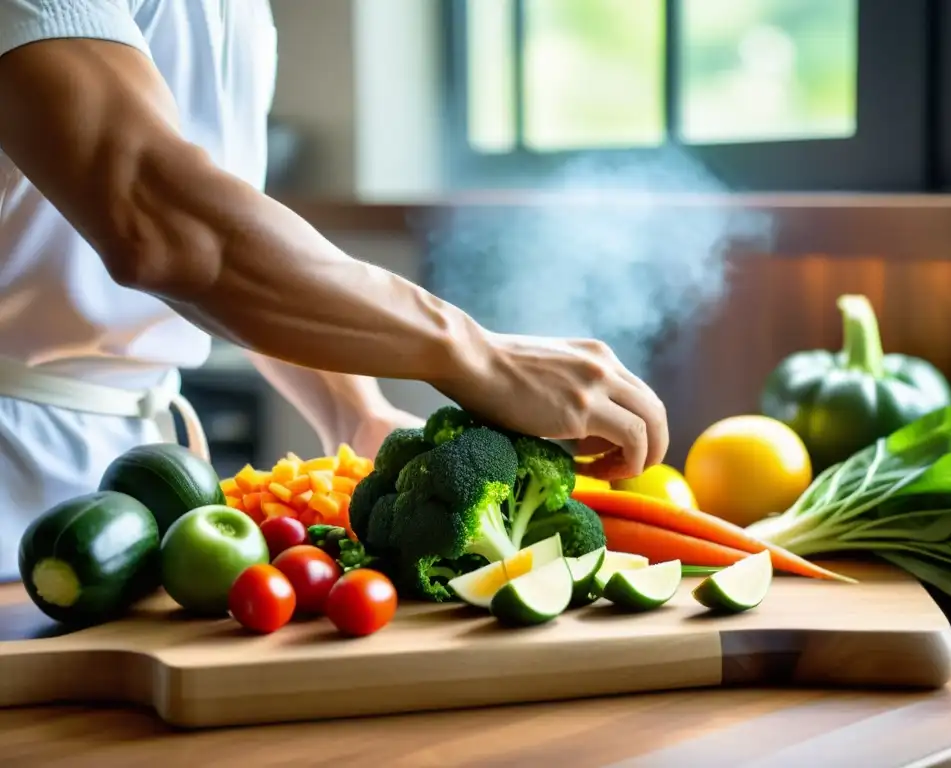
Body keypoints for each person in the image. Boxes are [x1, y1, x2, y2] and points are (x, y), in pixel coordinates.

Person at [0, 0, 668, 581]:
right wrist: (476, 355)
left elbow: (234, 234)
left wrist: (352, 410)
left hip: (142, 485)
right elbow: (160, 220)